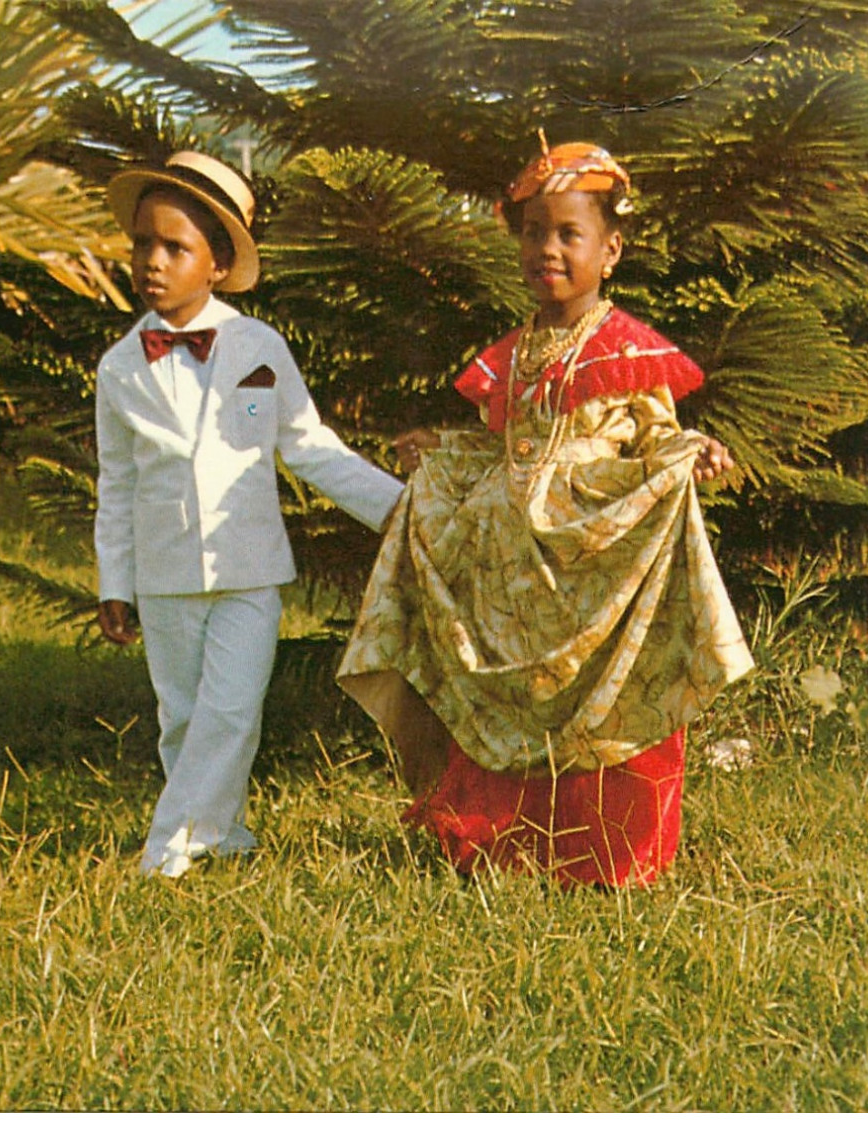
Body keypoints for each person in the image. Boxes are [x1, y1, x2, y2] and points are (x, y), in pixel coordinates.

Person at [337, 139, 754, 887]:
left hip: (591, 556)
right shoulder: (513, 353)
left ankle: (602, 849)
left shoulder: (625, 350)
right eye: (534, 233)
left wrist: (691, 450)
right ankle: (501, 836)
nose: (548, 249)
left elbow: (655, 432)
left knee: (599, 695)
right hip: (511, 568)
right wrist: (440, 449)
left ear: (610, 249)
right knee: (504, 689)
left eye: (569, 234)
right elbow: (505, 443)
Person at [94, 151, 404, 878]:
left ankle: (164, 854)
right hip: (165, 572)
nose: (153, 261)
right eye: (144, 243)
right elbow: (117, 482)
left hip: (247, 568)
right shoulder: (118, 366)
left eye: (176, 247)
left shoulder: (257, 350)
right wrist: (116, 579)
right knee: (182, 718)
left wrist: (395, 506)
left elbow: (304, 445)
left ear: (218, 265)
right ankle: (222, 832)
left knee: (231, 710)